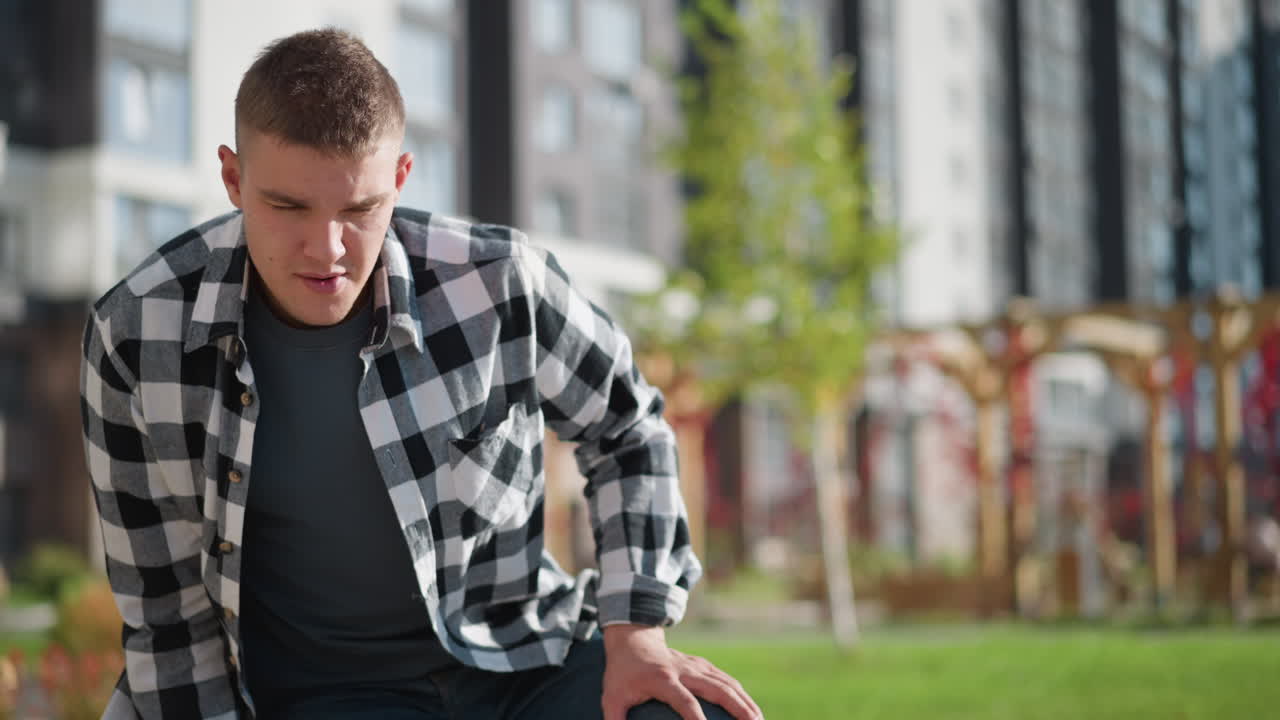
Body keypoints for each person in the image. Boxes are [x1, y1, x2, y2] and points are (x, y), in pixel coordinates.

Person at [80, 28, 761, 720]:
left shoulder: (498, 285)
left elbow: (627, 427)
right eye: (288, 207)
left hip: (523, 664)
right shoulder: (139, 333)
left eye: (359, 210)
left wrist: (637, 632)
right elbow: (167, 614)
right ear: (233, 178)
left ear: (401, 179)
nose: (327, 250)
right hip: (327, 698)